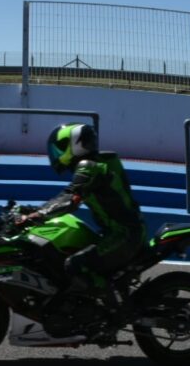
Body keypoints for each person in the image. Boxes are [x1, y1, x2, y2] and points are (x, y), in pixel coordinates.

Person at [20, 123, 146, 293]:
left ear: (75, 144)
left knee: (74, 265)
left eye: (60, 148)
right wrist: (33, 210)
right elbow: (67, 194)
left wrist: (36, 215)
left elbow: (71, 198)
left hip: (124, 235)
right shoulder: (97, 162)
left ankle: (113, 310)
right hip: (122, 231)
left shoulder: (89, 166)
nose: (56, 154)